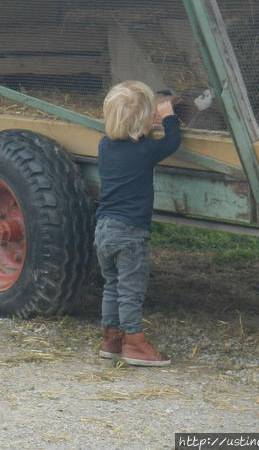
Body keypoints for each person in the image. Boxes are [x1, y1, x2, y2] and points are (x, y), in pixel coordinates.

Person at [94, 80, 181, 366]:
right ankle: (134, 343)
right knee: (131, 290)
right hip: (130, 233)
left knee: (112, 285)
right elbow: (172, 142)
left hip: (104, 230)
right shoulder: (145, 151)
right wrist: (168, 116)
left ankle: (110, 338)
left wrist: (144, 121)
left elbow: (134, 136)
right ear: (144, 124)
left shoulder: (105, 146)